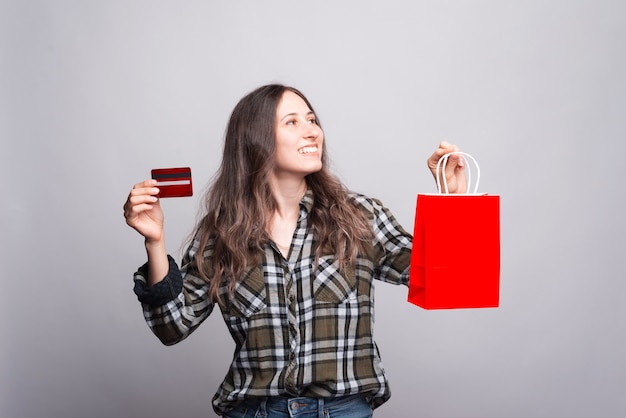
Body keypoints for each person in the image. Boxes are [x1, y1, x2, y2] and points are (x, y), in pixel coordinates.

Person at [123, 84, 467, 417]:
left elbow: (446, 281)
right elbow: (172, 327)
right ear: (256, 140)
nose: (312, 131)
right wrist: (155, 242)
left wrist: (453, 203)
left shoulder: (360, 217)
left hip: (344, 412)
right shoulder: (222, 233)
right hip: (256, 412)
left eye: (312, 120)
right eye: (292, 122)